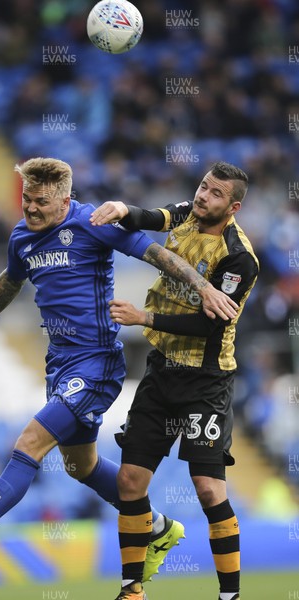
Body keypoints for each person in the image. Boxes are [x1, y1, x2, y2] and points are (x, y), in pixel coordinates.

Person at [0, 158, 237, 577]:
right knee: (81, 466)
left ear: (64, 200)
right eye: (27, 198)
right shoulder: (22, 236)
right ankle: (160, 528)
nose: (31, 207)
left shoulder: (92, 223)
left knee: (29, 442)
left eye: (41, 201)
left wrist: (204, 287)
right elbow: (11, 278)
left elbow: (156, 254)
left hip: (97, 364)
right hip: (60, 365)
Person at [90, 161, 259, 600]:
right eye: (203, 187)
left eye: (215, 193)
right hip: (162, 370)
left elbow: (210, 328)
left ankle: (230, 595)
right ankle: (131, 589)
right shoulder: (189, 213)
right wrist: (120, 207)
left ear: (233, 205)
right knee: (130, 480)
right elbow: (153, 216)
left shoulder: (238, 256)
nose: (204, 196)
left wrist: (142, 316)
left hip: (205, 380)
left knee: (207, 488)